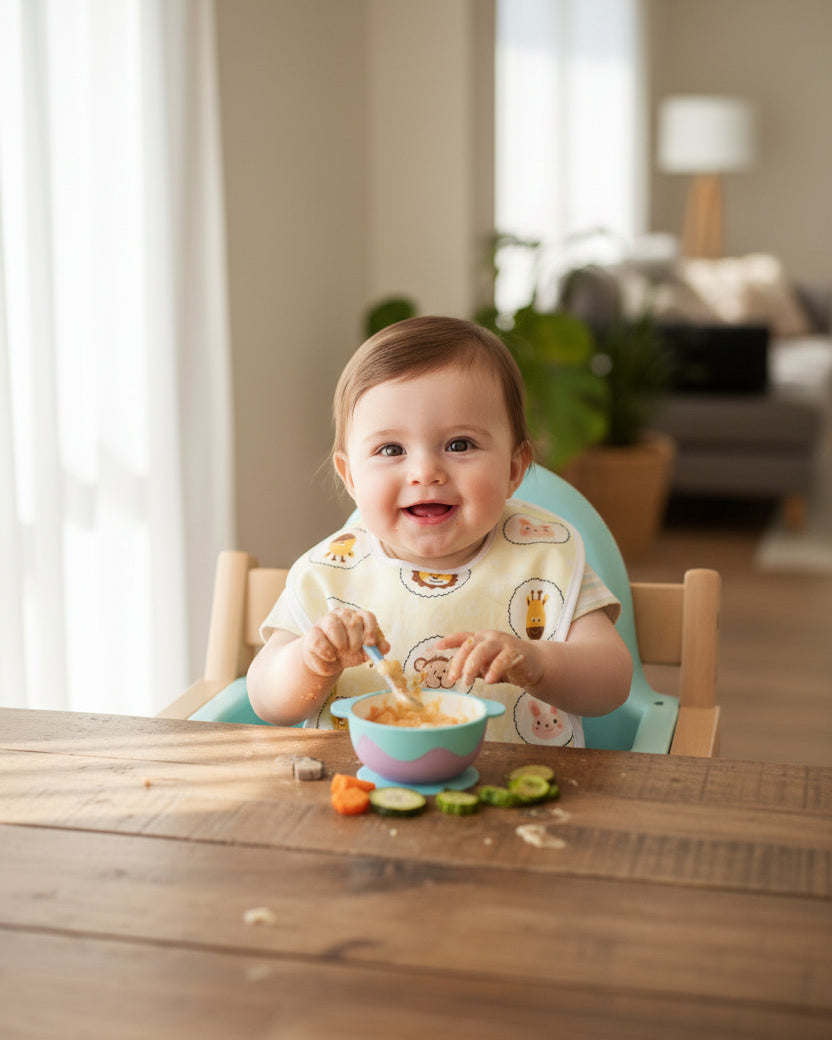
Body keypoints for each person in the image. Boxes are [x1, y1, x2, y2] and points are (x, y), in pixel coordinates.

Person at [247, 315, 632, 746]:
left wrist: (538, 662)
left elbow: (612, 683)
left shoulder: (542, 557)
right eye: (391, 449)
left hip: (519, 792)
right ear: (350, 476)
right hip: (359, 792)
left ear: (513, 468)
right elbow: (267, 700)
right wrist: (311, 661)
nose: (425, 471)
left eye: (459, 444)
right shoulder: (331, 574)